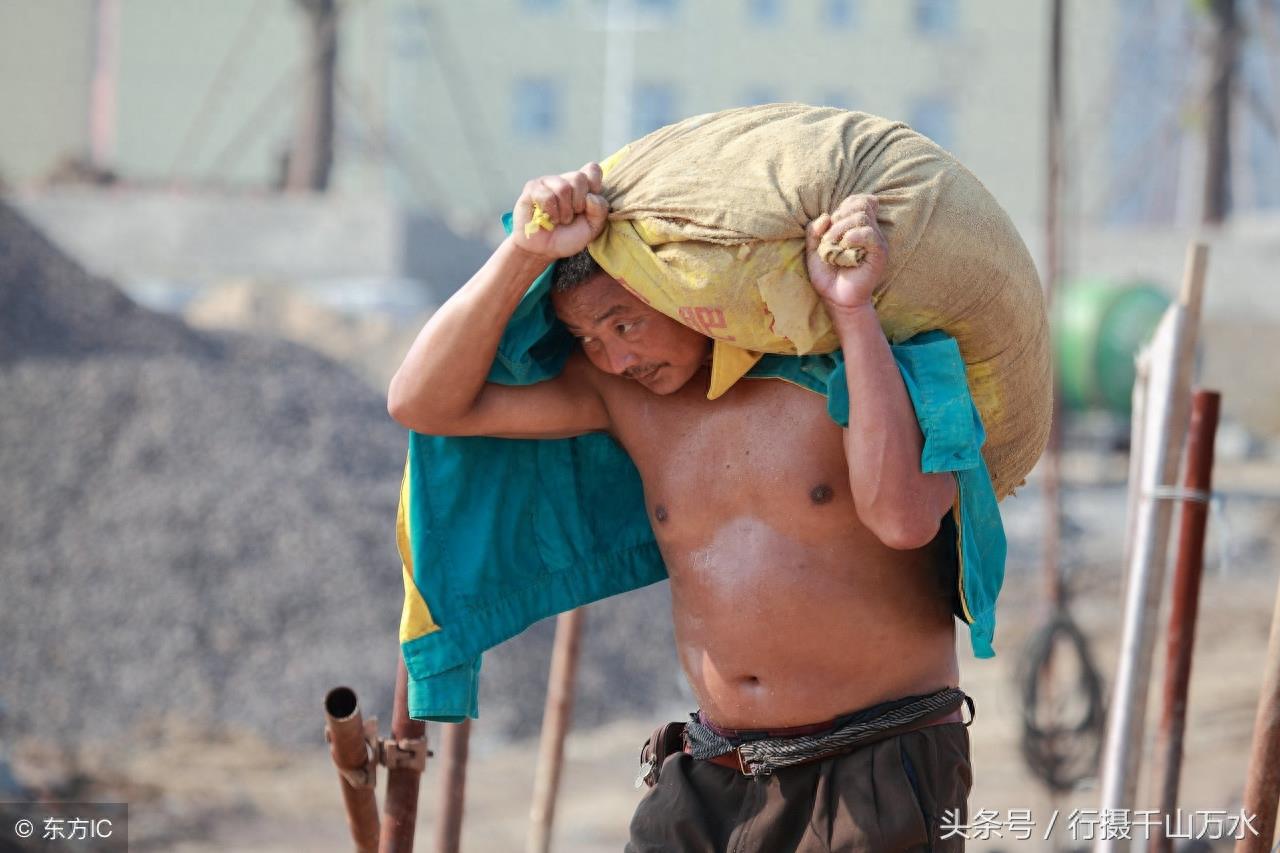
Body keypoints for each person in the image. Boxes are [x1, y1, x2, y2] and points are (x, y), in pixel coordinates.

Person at [388, 163, 975, 851]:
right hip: (716, 765)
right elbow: (419, 400)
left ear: (688, 290)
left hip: (876, 762)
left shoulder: (853, 365)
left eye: (623, 322)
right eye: (589, 339)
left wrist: (851, 309)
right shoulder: (626, 398)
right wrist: (524, 249)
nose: (613, 357)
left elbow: (905, 518)